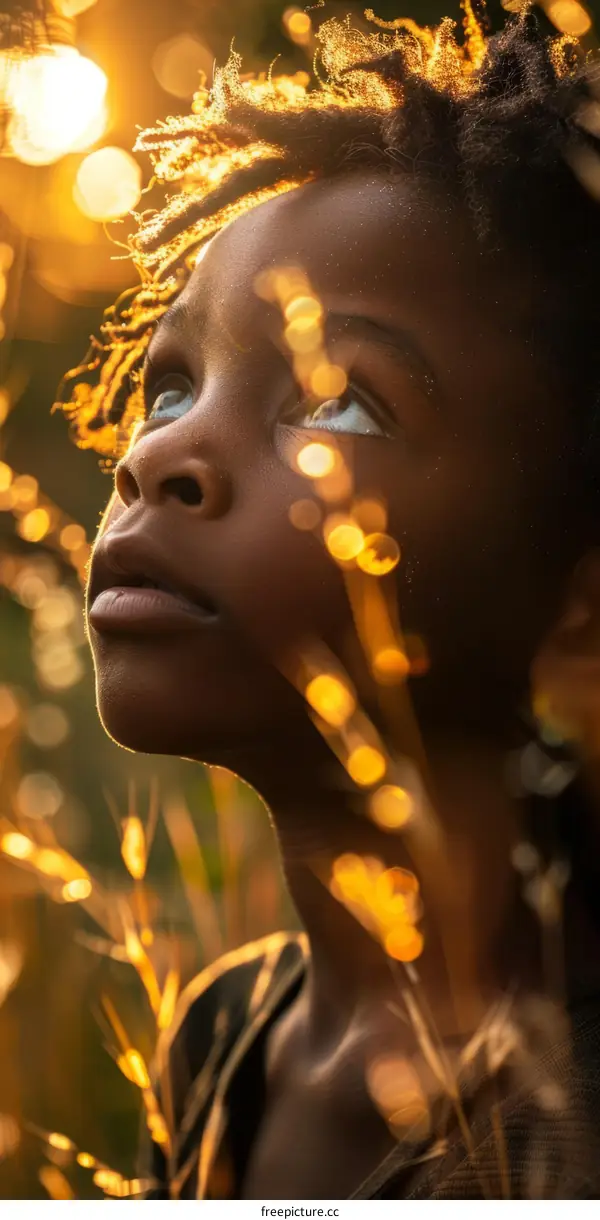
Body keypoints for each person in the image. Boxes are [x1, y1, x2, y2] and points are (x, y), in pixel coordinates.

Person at [57, 0, 600, 1200]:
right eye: (169, 386)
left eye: (338, 399)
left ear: (582, 592)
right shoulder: (219, 1040)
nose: (158, 458)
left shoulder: (567, 1123)